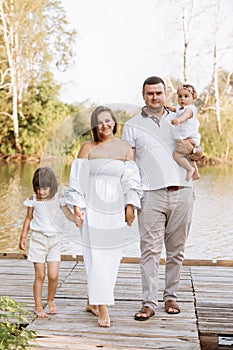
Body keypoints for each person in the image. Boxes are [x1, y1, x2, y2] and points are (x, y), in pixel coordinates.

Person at [122, 76, 202, 321]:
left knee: (176, 251)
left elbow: (198, 153)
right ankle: (149, 303)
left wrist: (196, 151)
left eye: (158, 93)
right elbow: (128, 166)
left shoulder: (181, 116)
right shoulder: (132, 125)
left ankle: (171, 297)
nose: (154, 97)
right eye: (150, 93)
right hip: (150, 195)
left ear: (165, 93)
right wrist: (129, 201)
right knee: (149, 251)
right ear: (143, 95)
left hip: (183, 192)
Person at [65, 106, 142, 328]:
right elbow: (76, 180)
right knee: (95, 256)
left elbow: (131, 180)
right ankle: (103, 307)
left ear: (114, 122)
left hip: (115, 209)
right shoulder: (87, 148)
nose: (104, 125)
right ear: (94, 126)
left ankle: (92, 301)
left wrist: (130, 206)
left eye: (108, 121)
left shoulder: (125, 148)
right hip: (92, 208)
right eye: (100, 122)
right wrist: (77, 207)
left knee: (110, 257)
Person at [19, 166, 79, 318]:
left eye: (45, 188)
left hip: (54, 241)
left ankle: (50, 300)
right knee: (40, 275)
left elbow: (68, 214)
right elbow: (28, 218)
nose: (41, 192)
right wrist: (23, 237)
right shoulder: (33, 200)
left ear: (52, 186)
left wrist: (76, 219)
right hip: (38, 240)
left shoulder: (59, 199)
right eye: (38, 188)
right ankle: (38, 306)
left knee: (53, 275)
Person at [167, 84, 201, 181]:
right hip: (186, 138)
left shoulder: (190, 109)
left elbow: (185, 115)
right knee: (187, 155)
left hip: (190, 138)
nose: (182, 99)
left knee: (177, 155)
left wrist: (178, 120)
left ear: (193, 98)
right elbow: (177, 110)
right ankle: (196, 173)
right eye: (180, 96)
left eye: (186, 96)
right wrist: (171, 109)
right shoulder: (179, 108)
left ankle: (190, 169)